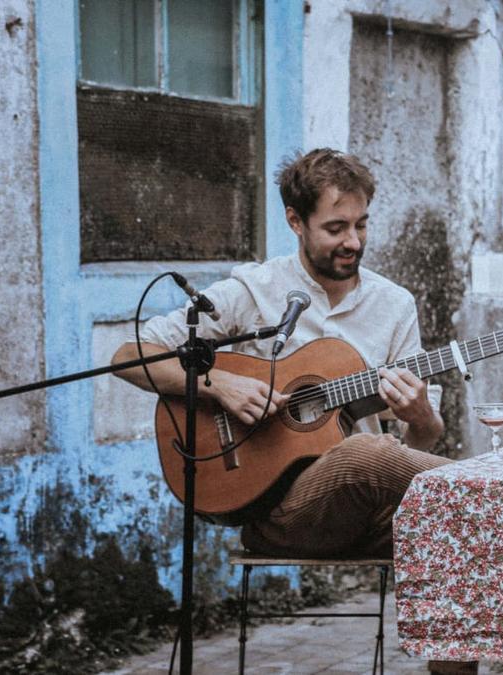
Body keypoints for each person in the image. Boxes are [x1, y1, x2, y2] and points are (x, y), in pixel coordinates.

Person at [111, 148, 450, 560]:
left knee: (451, 530)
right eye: (336, 228)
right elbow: (130, 356)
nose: (353, 241)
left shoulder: (394, 305)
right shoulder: (254, 290)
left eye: (362, 225)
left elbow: (422, 442)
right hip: (284, 514)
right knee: (366, 453)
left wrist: (420, 417)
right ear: (295, 221)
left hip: (370, 514)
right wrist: (219, 385)